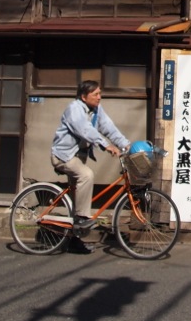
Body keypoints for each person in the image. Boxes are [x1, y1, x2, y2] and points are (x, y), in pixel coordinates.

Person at [51, 80, 131, 246]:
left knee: (77, 197)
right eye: (95, 94)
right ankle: (81, 218)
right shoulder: (74, 109)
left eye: (100, 93)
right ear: (83, 97)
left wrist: (126, 145)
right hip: (64, 156)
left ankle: (75, 241)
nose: (99, 97)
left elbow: (108, 127)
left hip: (78, 157)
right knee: (86, 175)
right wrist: (106, 145)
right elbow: (84, 130)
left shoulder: (96, 109)